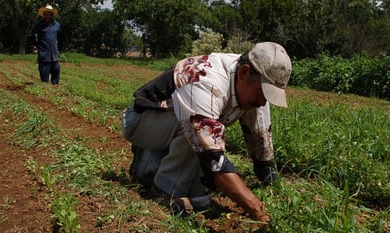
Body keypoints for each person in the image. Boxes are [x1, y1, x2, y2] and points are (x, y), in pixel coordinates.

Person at [122, 42, 292, 222]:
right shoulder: (205, 81)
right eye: (262, 93)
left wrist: (269, 181)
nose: (263, 101)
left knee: (198, 192)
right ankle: (164, 192)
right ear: (244, 73)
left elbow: (260, 139)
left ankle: (147, 163)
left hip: (168, 123)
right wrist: (258, 210)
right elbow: (213, 159)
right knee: (196, 132)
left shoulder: (251, 84)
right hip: (141, 122)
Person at [28, 4, 61, 85]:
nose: (48, 16)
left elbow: (60, 37)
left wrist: (59, 49)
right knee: (44, 79)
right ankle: (45, 92)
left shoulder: (57, 25)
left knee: (56, 74)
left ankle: (55, 89)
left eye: (50, 14)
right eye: (46, 14)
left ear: (52, 15)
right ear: (43, 15)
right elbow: (31, 34)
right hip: (44, 55)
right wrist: (35, 44)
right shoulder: (39, 24)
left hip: (55, 55)